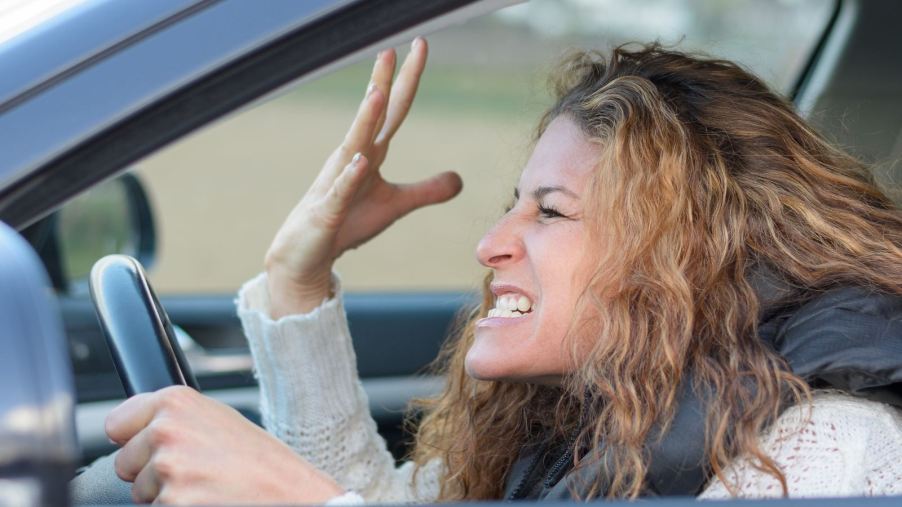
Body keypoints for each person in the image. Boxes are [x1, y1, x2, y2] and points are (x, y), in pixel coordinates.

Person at [104, 38, 902, 504]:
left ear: (692, 252)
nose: (490, 242)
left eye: (549, 211)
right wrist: (294, 281)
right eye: (512, 203)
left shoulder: (832, 448)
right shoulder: (585, 419)